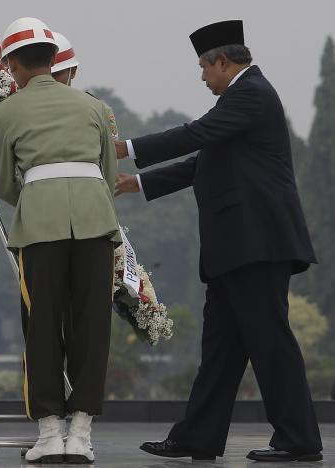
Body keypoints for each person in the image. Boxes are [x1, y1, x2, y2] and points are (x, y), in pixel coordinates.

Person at [115, 20, 323, 462]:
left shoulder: (250, 94)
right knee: (221, 354)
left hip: (257, 245)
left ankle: (299, 439)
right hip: (237, 249)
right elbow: (204, 162)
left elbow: (195, 134)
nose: (203, 77)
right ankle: (198, 437)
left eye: (204, 68)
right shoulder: (243, 102)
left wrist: (126, 147)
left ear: (223, 62)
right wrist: (138, 184)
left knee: (271, 344)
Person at [0, 17, 121, 464]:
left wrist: (39, 195)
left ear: (11, 66)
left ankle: (49, 431)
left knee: (41, 325)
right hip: (94, 219)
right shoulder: (93, 108)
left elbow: (4, 182)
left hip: (40, 225)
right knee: (92, 324)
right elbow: (108, 172)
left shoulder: (4, 112)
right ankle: (81, 431)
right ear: (53, 60)